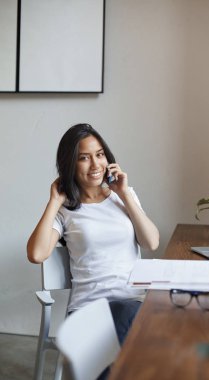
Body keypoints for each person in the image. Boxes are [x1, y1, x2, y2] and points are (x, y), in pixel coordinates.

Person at [27, 123, 159, 369]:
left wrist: (125, 194)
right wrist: (54, 201)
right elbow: (36, 254)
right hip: (88, 308)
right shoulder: (65, 210)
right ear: (70, 165)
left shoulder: (124, 197)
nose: (96, 164)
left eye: (99, 155)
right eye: (84, 158)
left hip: (132, 303)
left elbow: (151, 241)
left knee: (127, 325)